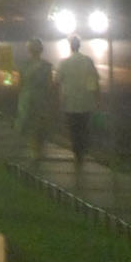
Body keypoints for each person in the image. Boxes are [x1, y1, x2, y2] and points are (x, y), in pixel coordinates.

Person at [54, 36, 101, 175]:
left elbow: (57, 82)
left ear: (71, 46)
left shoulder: (64, 63)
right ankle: (83, 151)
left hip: (70, 101)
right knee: (84, 127)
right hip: (85, 101)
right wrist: (97, 98)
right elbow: (94, 81)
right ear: (80, 45)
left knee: (73, 128)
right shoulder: (88, 61)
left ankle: (77, 153)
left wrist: (56, 100)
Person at [15, 36, 56, 162]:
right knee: (41, 123)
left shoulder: (23, 65)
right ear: (41, 50)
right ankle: (40, 148)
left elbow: (20, 84)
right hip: (42, 97)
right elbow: (50, 85)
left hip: (27, 97)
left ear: (29, 50)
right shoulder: (47, 66)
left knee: (30, 123)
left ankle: (34, 150)